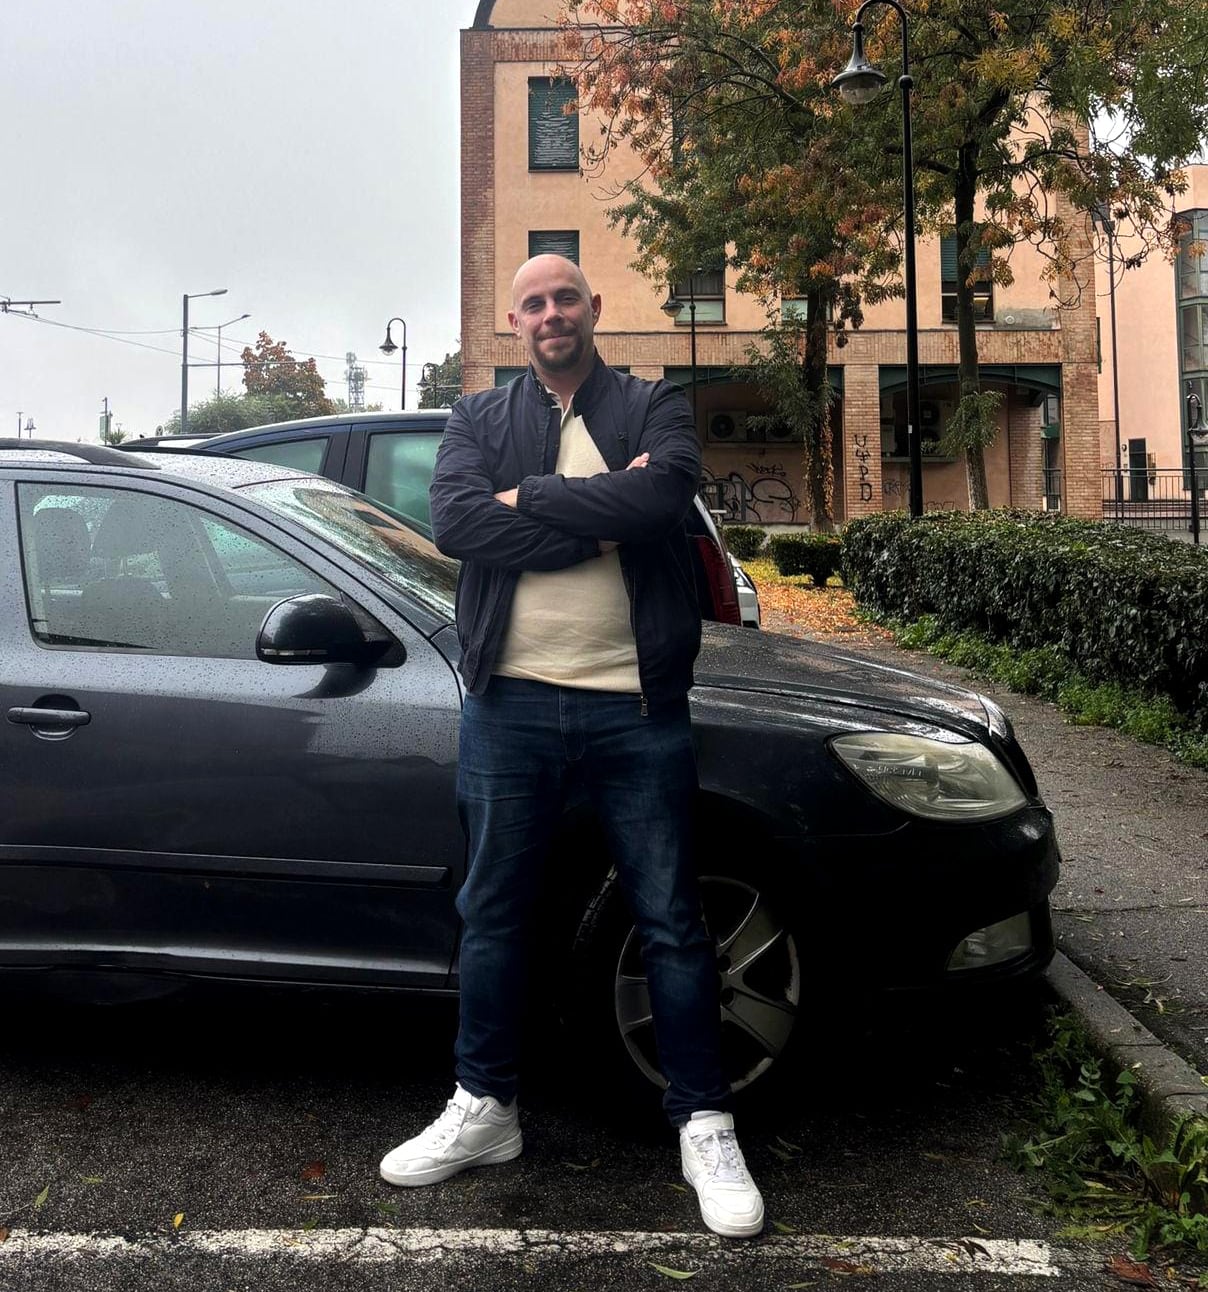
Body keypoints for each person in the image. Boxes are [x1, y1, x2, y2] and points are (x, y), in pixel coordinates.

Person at [378, 254, 764, 1239]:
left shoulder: (650, 404)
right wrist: (595, 518)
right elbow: (456, 521)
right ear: (513, 322)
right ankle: (485, 1106)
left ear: (593, 309)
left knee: (670, 918)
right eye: (533, 303)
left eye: (564, 298)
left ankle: (703, 1121)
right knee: (493, 913)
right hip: (509, 706)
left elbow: (661, 501)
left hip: (637, 708)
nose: (550, 313)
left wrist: (527, 501)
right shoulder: (477, 418)